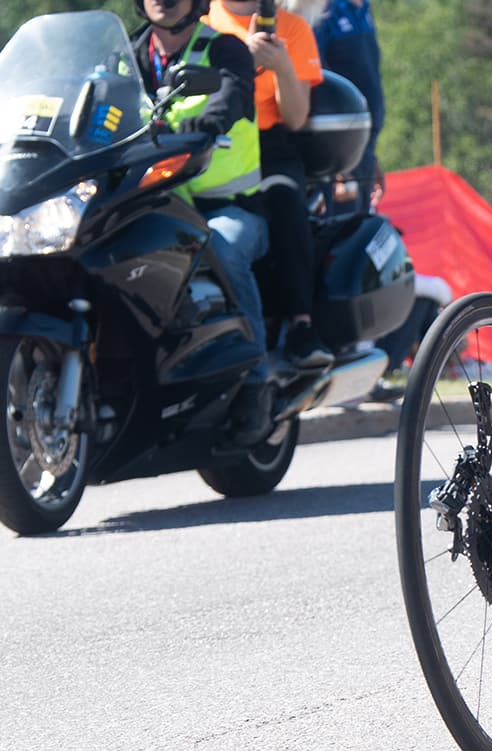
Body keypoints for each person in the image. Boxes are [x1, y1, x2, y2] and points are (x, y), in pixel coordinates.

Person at [131, 0, 273, 444]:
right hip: (154, 203)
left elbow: (232, 93)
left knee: (223, 248)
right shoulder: (127, 58)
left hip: (228, 207)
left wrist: (208, 121)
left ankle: (257, 381)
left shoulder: (223, 49)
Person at [206, 0, 333, 369]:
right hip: (212, 143)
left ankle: (300, 325)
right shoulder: (200, 22)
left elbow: (295, 117)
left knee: (286, 201)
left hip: (269, 146)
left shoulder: (292, 29)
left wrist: (280, 67)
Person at [310, 0, 384, 209]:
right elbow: (317, 84)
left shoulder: (363, 9)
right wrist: (338, 165)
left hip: (363, 149)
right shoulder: (324, 11)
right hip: (338, 157)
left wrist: (371, 156)